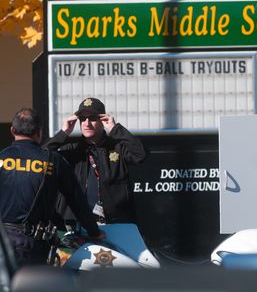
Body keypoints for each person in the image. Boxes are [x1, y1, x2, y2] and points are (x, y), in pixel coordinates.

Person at [0, 108, 105, 267]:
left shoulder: (2, 158)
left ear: (13, 130)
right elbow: (77, 200)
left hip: (2, 243)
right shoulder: (52, 160)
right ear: (39, 132)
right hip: (32, 245)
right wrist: (94, 232)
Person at [44, 97, 147, 229]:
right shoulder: (71, 150)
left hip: (113, 224)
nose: (87, 123)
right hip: (75, 225)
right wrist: (63, 133)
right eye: (82, 119)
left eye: (92, 118)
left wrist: (116, 129)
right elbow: (40, 157)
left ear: (102, 120)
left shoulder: (117, 148)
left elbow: (140, 154)